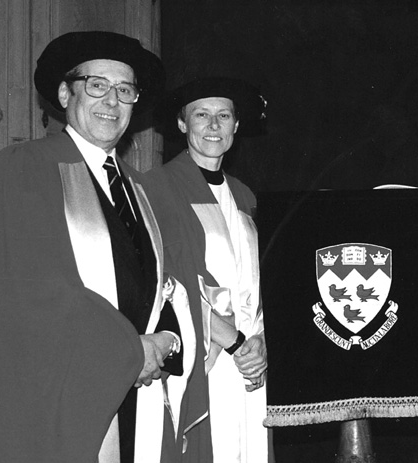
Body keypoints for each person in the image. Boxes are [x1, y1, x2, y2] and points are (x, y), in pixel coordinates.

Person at [0, 31, 204, 463]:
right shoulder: (25, 168)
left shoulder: (138, 187)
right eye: (97, 85)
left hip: (135, 391)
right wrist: (130, 350)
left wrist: (169, 340)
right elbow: (31, 291)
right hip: (63, 397)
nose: (112, 101)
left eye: (125, 90)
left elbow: (165, 282)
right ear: (66, 93)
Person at [146, 77, 269, 462]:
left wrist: (260, 343)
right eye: (202, 115)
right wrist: (233, 340)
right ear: (183, 124)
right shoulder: (158, 188)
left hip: (249, 361)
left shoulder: (244, 196)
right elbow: (166, 283)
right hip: (206, 358)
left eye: (224, 115)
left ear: (236, 125)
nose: (214, 125)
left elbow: (258, 283)